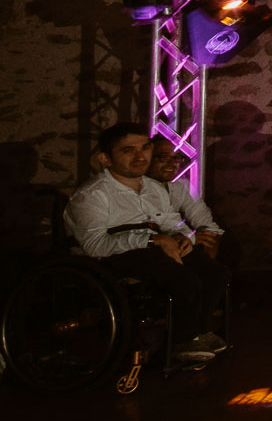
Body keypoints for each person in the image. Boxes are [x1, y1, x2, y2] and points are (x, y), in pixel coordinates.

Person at [65, 123, 229, 364]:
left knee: (215, 273)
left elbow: (170, 221)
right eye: (128, 150)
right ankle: (181, 341)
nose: (140, 156)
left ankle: (197, 331)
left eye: (145, 148)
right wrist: (152, 240)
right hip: (113, 256)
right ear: (106, 159)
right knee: (180, 276)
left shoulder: (153, 188)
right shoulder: (92, 195)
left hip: (156, 247)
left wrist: (184, 237)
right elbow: (95, 245)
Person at [146, 138, 224, 255]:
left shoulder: (182, 185)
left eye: (176, 158)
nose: (172, 164)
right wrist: (190, 238)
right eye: (164, 157)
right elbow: (162, 225)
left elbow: (206, 223)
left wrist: (206, 239)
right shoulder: (138, 186)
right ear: (148, 158)